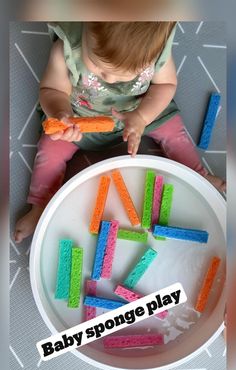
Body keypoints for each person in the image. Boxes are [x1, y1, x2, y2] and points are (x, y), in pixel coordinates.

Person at [14, 22, 226, 243]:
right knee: (50, 148)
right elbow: (52, 89)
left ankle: (198, 176)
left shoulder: (155, 50)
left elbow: (165, 85)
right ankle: (39, 207)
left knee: (173, 129)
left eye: (123, 75)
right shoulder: (67, 48)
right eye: (99, 67)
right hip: (80, 117)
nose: (110, 79)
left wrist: (143, 117)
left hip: (138, 112)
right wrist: (61, 114)